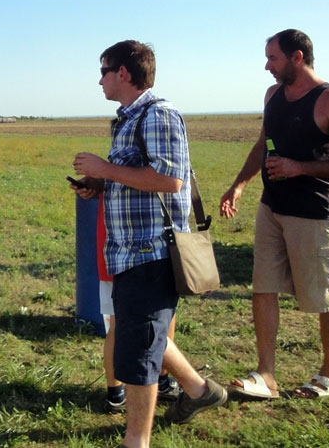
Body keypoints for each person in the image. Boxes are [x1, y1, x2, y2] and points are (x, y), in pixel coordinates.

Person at [73, 40, 227, 448]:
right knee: (139, 334)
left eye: (103, 70)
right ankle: (199, 390)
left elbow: (169, 179)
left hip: (151, 252)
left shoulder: (158, 114)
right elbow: (136, 177)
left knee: (138, 353)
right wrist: (100, 184)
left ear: (123, 72)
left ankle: (136, 441)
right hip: (127, 252)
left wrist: (105, 168)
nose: (100, 79)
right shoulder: (127, 119)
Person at [219, 29, 329, 400]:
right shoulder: (273, 96)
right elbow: (262, 144)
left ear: (297, 57)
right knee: (263, 287)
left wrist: (299, 168)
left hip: (316, 214)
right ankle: (266, 375)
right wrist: (239, 185)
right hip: (272, 208)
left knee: (327, 296)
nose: (267, 66)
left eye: (273, 58)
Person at [72, 187, 181, 413]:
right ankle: (146, 386)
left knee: (125, 321)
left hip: (125, 251)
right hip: (142, 253)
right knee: (152, 316)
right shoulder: (130, 166)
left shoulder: (118, 166)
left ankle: (124, 391)